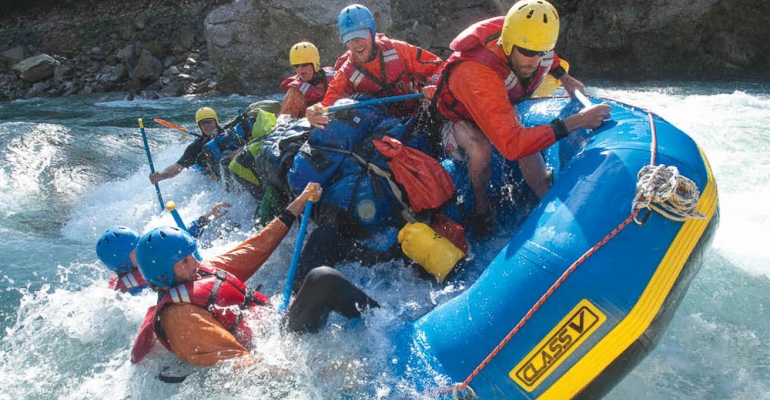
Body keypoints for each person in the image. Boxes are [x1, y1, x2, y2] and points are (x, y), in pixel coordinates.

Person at [130, 183, 380, 367]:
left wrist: (301, 200)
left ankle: (387, 262)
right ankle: (385, 325)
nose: (195, 262)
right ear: (163, 275)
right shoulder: (180, 318)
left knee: (322, 238)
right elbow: (240, 364)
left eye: (191, 255)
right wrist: (320, 370)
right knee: (321, 278)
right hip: (278, 344)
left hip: (275, 316)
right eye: (185, 261)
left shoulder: (200, 271)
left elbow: (258, 246)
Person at [434, 0, 611, 237]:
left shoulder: (528, 40)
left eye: (541, 52)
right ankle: (481, 209)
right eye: (528, 53)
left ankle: (549, 203)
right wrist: (577, 121)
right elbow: (513, 146)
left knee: (525, 136)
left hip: (496, 106)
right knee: (480, 149)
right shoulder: (475, 71)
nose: (535, 61)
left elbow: (549, 55)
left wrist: (564, 78)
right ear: (508, 42)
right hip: (459, 120)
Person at [305, 4, 443, 128]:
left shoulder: (398, 50)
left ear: (372, 32)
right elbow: (327, 104)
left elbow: (440, 67)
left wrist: (432, 86)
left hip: (417, 116)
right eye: (349, 39)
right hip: (382, 128)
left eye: (360, 35)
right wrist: (315, 111)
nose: (356, 43)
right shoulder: (346, 72)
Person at [96, 202, 231, 294]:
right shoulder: (134, 287)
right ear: (122, 262)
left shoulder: (146, 261)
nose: (141, 250)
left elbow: (176, 244)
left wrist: (206, 218)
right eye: (135, 251)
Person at [149, 107, 224, 184]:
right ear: (199, 126)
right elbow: (177, 167)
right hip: (213, 175)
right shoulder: (195, 147)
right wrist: (161, 176)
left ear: (216, 122)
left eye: (209, 122)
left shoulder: (227, 134)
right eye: (203, 123)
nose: (207, 126)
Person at [279, 42, 336, 119]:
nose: (300, 69)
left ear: (314, 64)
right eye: (296, 66)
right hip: (308, 126)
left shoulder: (333, 78)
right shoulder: (295, 90)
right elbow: (284, 120)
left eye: (304, 65)